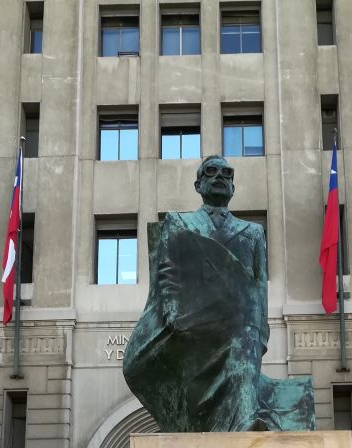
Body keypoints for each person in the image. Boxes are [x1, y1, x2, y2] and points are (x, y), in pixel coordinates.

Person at [123, 155, 315, 433]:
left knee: (244, 344)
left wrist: (260, 332)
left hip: (237, 324)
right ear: (198, 185)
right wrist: (173, 313)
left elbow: (258, 286)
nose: (220, 177)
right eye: (211, 171)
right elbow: (167, 271)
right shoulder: (179, 222)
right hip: (192, 322)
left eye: (227, 173)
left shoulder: (252, 232)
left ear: (233, 187)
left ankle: (244, 421)